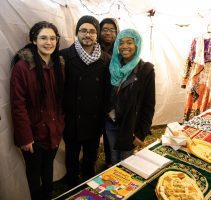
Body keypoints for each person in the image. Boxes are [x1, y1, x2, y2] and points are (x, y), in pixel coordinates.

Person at [10, 21, 64, 200]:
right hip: (33, 134)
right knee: (34, 174)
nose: (49, 42)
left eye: (52, 38)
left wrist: (60, 124)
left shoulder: (59, 65)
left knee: (48, 168)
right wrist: (25, 137)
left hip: (54, 130)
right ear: (34, 40)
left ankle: (48, 195)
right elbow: (18, 105)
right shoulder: (22, 67)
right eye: (43, 38)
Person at [60, 15, 111, 188]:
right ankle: (72, 184)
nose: (87, 35)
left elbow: (106, 92)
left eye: (92, 31)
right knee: (71, 156)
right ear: (77, 33)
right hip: (72, 118)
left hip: (94, 119)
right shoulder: (64, 56)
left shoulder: (106, 60)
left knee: (91, 156)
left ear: (97, 35)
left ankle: (89, 184)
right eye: (83, 30)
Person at [105, 29, 155, 164]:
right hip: (111, 122)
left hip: (130, 125)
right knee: (113, 157)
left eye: (129, 42)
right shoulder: (112, 66)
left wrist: (141, 133)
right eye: (121, 43)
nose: (124, 46)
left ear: (137, 45)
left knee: (126, 160)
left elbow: (149, 105)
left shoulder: (146, 70)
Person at [99, 18, 120, 168]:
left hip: (111, 102)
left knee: (109, 137)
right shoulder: (93, 50)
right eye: (105, 29)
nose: (108, 33)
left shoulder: (121, 52)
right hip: (94, 100)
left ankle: (109, 163)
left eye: (112, 30)